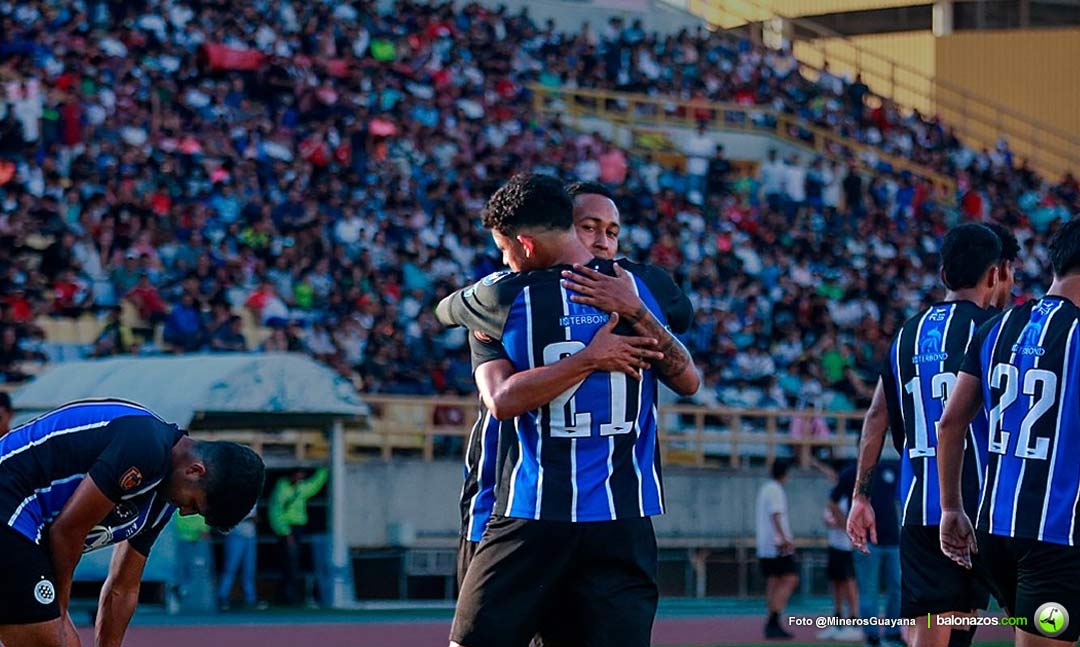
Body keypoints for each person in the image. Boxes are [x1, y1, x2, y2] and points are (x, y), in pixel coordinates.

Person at [437, 173, 699, 647]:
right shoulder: (649, 286)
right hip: (623, 513)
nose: (602, 239)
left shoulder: (503, 295)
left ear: (524, 242)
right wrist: (636, 313)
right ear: (570, 226)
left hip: (532, 507)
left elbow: (448, 314)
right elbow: (688, 380)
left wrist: (589, 354)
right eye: (592, 227)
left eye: (611, 230)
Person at [847, 223, 1007, 647]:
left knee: (929, 629)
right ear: (994, 275)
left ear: (942, 275)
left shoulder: (905, 334)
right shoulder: (992, 329)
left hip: (916, 505)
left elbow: (876, 415)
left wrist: (860, 496)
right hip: (969, 504)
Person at [0, 398, 264, 647]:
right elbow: (67, 532)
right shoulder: (146, 446)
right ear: (194, 471)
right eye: (195, 505)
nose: (185, 513)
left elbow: (122, 588)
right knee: (53, 640)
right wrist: (60, 611)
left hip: (24, 526)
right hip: (9, 498)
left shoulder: (163, 500)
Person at [938, 219, 1080, 646]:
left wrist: (950, 508)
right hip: (1055, 533)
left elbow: (950, 422)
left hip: (995, 528)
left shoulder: (996, 327)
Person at [269, 467, 328, 606]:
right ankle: (286, 597)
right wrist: (285, 532)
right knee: (288, 564)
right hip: (287, 529)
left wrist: (324, 470)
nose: (300, 479)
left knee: (294, 564)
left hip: (297, 528)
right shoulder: (282, 488)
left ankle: (291, 596)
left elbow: (313, 485)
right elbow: (275, 511)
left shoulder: (300, 487)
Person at [756, 459, 798, 640]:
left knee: (774, 581)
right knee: (790, 578)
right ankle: (774, 617)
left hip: (766, 544)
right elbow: (776, 514)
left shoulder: (766, 488)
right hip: (776, 545)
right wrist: (784, 538)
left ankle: (772, 620)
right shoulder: (775, 490)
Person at [217, 505, 263, 611]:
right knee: (230, 568)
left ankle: (250, 599)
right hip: (236, 535)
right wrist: (248, 519)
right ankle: (222, 597)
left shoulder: (254, 497)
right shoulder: (235, 494)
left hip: (251, 536)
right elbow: (229, 516)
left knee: (249, 570)